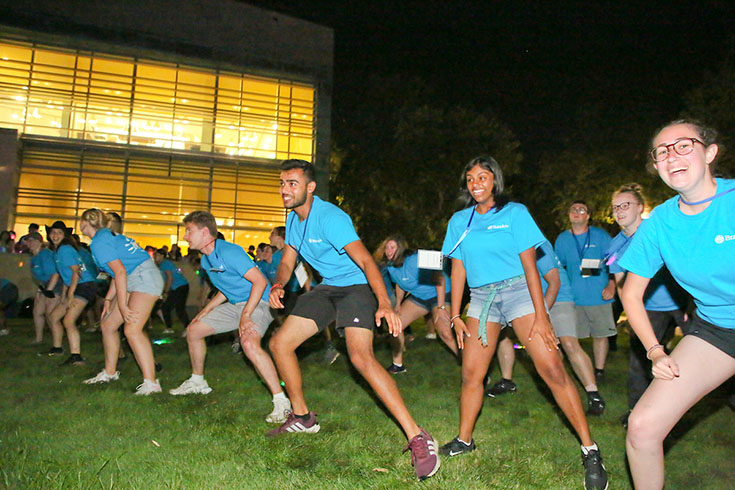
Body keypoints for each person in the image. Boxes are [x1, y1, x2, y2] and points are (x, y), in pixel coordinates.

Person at [439, 155, 607, 490]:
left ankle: (591, 450)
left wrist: (542, 317)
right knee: (471, 374)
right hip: (482, 298)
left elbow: (531, 267)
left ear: (495, 180)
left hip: (518, 292)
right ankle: (465, 439)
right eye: (470, 179)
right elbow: (457, 267)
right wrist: (455, 313)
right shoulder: (460, 221)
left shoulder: (515, 213)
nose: (476, 184)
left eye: (483, 177)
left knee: (552, 370)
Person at [267, 159, 439, 481]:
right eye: (282, 183)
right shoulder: (292, 220)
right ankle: (303, 417)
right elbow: (288, 260)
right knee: (279, 344)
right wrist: (278, 283)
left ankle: (418, 436)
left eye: (292, 183)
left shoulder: (331, 217)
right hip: (328, 288)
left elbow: (365, 260)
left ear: (310, 187)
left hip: (357, 287)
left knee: (361, 357)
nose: (285, 190)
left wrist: (385, 303)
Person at [619, 120, 735, 489]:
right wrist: (655, 350)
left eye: (683, 146)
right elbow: (630, 292)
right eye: (662, 152)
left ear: (710, 152)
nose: (671, 156)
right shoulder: (659, 224)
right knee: (642, 427)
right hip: (717, 329)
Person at [171, 211, 292, 423]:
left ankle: (282, 402)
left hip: (259, 302)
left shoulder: (229, 251)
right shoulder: (207, 260)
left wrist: (246, 315)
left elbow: (260, 283)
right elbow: (224, 290)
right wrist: (203, 312)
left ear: (205, 231)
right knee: (194, 330)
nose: (185, 236)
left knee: (249, 343)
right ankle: (198, 382)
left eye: (189, 231)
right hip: (237, 304)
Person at [485, 241, 606, 415]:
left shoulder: (537, 244)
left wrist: (542, 317)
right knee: (504, 336)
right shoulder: (507, 246)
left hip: (558, 298)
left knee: (569, 343)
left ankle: (593, 394)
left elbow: (554, 283)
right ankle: (507, 381)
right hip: (528, 301)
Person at [607, 183, 688, 427]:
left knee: (716, 351)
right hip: (649, 309)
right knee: (640, 361)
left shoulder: (659, 230)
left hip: (683, 302)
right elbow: (621, 285)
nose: (620, 211)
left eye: (626, 205)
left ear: (641, 207)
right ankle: (636, 412)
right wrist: (631, 314)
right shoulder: (614, 246)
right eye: (615, 207)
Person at [79, 209, 164, 395]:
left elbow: (120, 272)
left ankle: (152, 383)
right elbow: (117, 271)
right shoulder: (106, 236)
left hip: (143, 277)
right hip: (135, 277)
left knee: (132, 329)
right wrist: (110, 299)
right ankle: (110, 373)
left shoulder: (100, 242)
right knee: (108, 325)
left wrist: (123, 305)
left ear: (85, 223)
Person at [373, 235, 458, 373]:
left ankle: (470, 365)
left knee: (445, 332)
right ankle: (397, 365)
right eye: (386, 248)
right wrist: (398, 304)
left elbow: (440, 276)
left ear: (400, 248)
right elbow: (400, 283)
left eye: (392, 247)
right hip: (420, 296)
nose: (388, 251)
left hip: (441, 293)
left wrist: (441, 307)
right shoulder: (390, 265)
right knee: (395, 325)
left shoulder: (415, 257)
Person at [555, 200, 617, 382]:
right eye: (573, 209)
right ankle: (575, 369)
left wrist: (612, 284)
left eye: (581, 210)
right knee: (571, 338)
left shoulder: (601, 236)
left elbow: (613, 260)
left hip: (599, 294)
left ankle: (599, 370)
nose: (576, 212)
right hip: (573, 297)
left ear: (588, 216)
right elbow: (557, 267)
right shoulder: (562, 239)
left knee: (600, 335)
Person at [45, 221, 97, 365]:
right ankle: (57, 348)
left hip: (84, 285)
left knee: (68, 320)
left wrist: (70, 295)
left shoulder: (65, 250)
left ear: (65, 235)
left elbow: (76, 273)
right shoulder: (58, 251)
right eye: (53, 232)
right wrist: (64, 296)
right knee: (54, 316)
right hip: (77, 285)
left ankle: (76, 356)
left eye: (59, 233)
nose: (55, 235)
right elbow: (66, 276)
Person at [24, 231, 61, 344]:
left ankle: (57, 343)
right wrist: (40, 290)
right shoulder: (34, 257)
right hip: (46, 286)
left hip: (55, 285)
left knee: (51, 314)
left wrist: (49, 291)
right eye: (28, 240)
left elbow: (55, 274)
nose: (30, 243)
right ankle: (39, 339)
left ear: (39, 242)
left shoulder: (45, 254)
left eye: (32, 240)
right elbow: (40, 277)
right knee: (37, 311)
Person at [153, 248, 190, 334]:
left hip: (179, 287)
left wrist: (166, 292)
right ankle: (172, 328)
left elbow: (170, 278)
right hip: (179, 287)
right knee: (171, 308)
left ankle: (185, 328)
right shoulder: (164, 264)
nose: (154, 257)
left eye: (156, 255)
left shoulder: (164, 264)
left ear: (162, 256)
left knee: (176, 308)